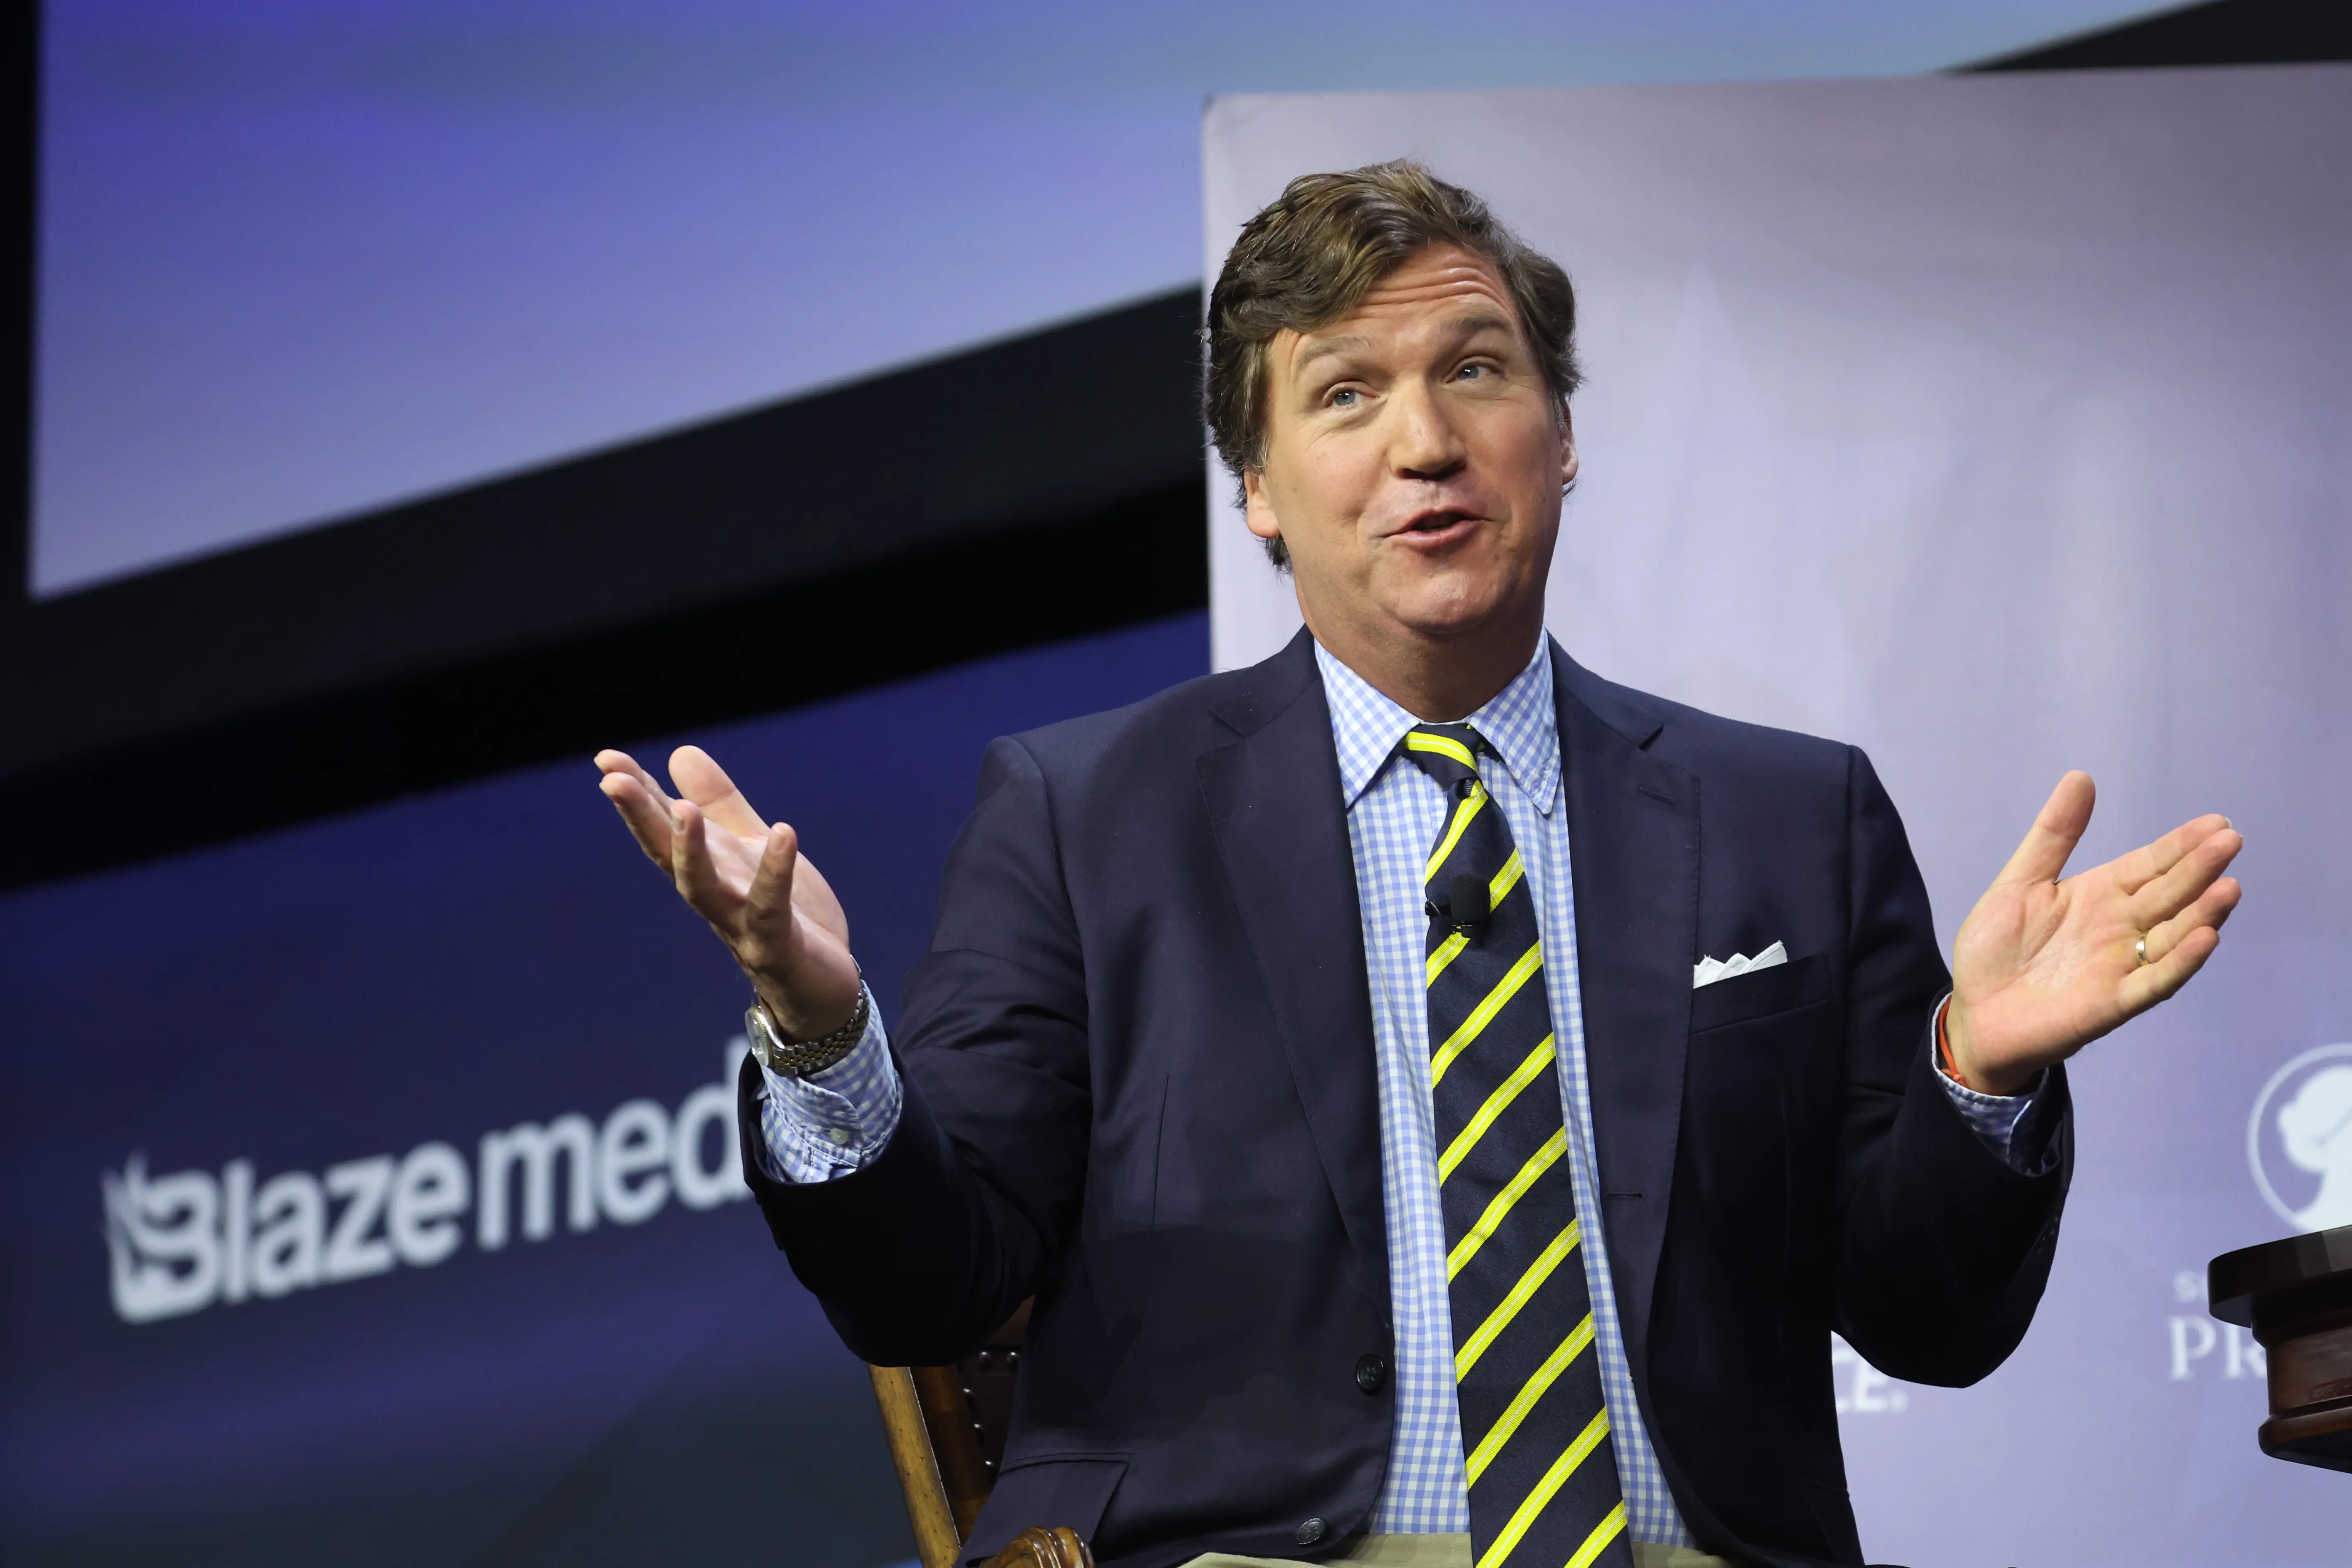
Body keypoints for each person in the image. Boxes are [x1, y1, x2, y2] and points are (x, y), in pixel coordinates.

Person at [594, 164, 2243, 1568]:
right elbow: (930, 1280)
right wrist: (819, 1033)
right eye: (1345, 394)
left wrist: (1978, 1074)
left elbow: (1930, 1323)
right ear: (1258, 490)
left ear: (1563, 437)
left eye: (1476, 370)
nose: (1427, 443)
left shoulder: (1784, 817)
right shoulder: (1085, 813)